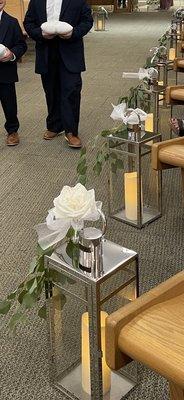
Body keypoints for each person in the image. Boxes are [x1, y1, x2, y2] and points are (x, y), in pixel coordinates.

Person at [24, 0, 93, 148]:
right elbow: (28, 23)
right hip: (46, 52)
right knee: (51, 91)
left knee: (71, 91)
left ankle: (71, 131)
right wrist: (40, 34)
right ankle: (54, 126)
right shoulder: (36, 1)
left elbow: (87, 21)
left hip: (70, 51)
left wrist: (73, 33)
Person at [0, 0, 27, 146]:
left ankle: (12, 131)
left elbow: (21, 45)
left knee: (9, 103)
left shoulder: (11, 22)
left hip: (5, 72)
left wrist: (12, 54)